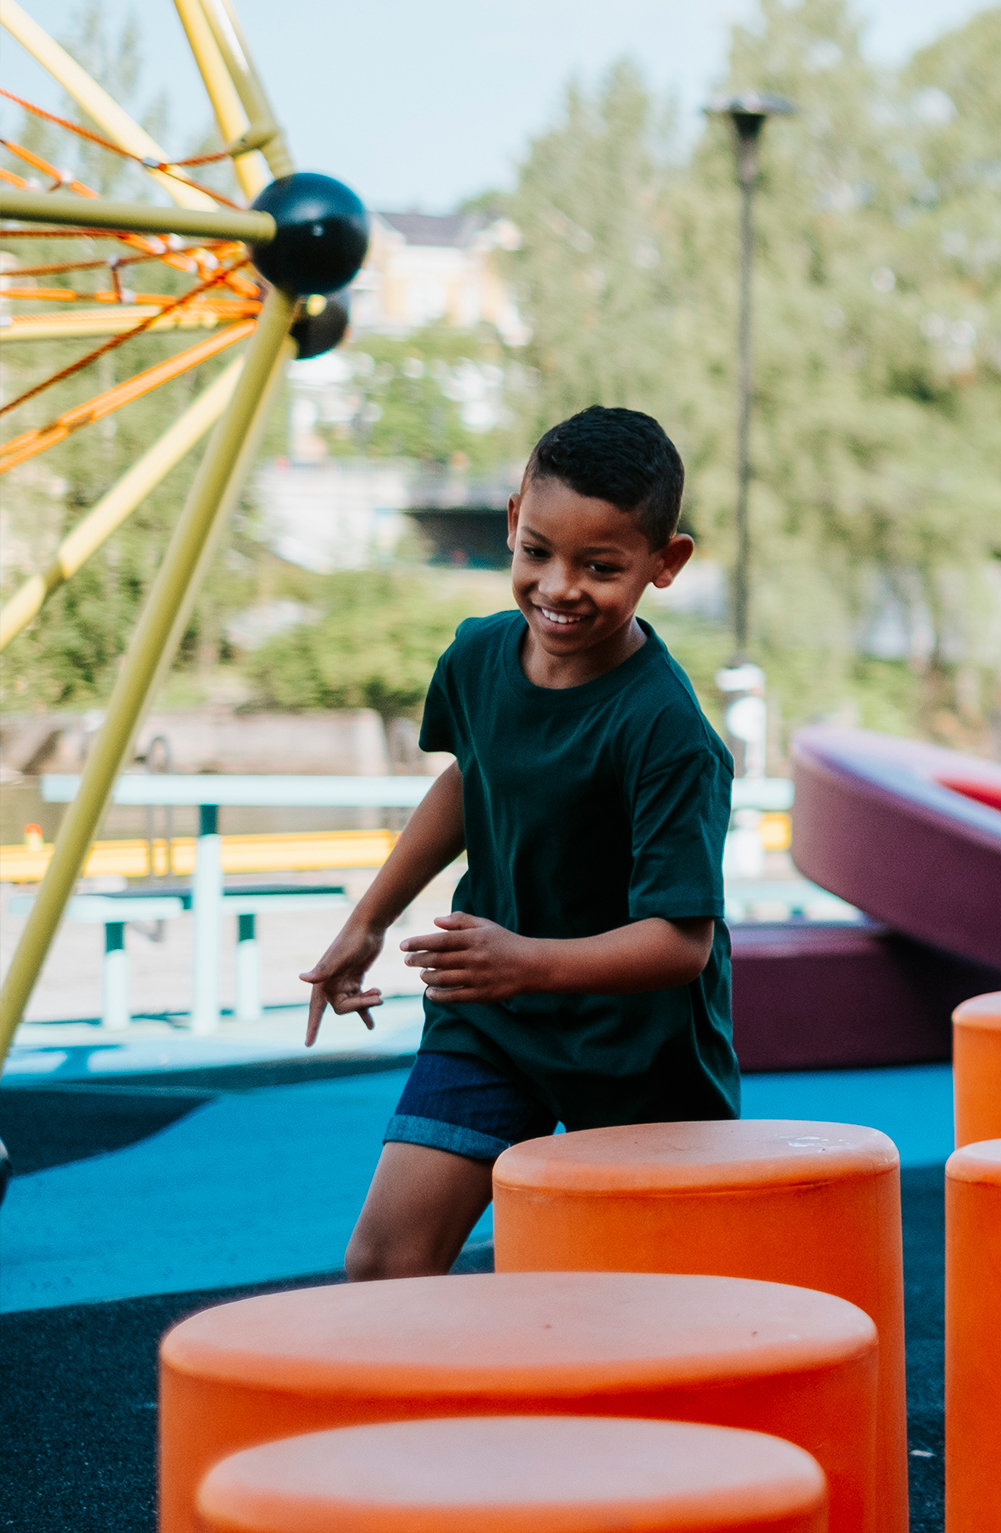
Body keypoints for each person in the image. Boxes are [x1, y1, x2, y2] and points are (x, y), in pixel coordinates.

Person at [301, 405, 738, 1280]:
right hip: (494, 1023)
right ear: (512, 523)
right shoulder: (477, 658)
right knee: (385, 1261)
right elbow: (473, 780)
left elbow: (680, 944)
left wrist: (524, 961)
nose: (559, 586)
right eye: (537, 550)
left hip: (637, 1054)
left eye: (600, 566)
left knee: (644, 1297)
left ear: (666, 563)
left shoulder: (668, 731)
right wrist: (368, 920)